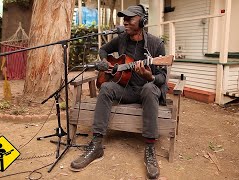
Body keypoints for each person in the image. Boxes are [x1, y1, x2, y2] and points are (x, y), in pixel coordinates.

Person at [70, 4, 167, 179]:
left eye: (130, 19)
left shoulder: (156, 44)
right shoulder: (122, 38)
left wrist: (149, 76)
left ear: (142, 21)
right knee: (106, 87)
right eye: (124, 19)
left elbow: (162, 79)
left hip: (146, 92)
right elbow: (103, 50)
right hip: (126, 89)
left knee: (149, 88)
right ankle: (96, 144)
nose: (125, 22)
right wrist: (104, 62)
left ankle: (150, 150)